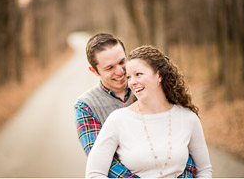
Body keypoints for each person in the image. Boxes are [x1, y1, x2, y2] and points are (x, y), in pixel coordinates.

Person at [74, 33, 196, 177]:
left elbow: (181, 140)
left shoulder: (150, 86)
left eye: (121, 62)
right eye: (109, 68)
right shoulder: (86, 106)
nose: (120, 71)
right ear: (94, 71)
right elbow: (103, 162)